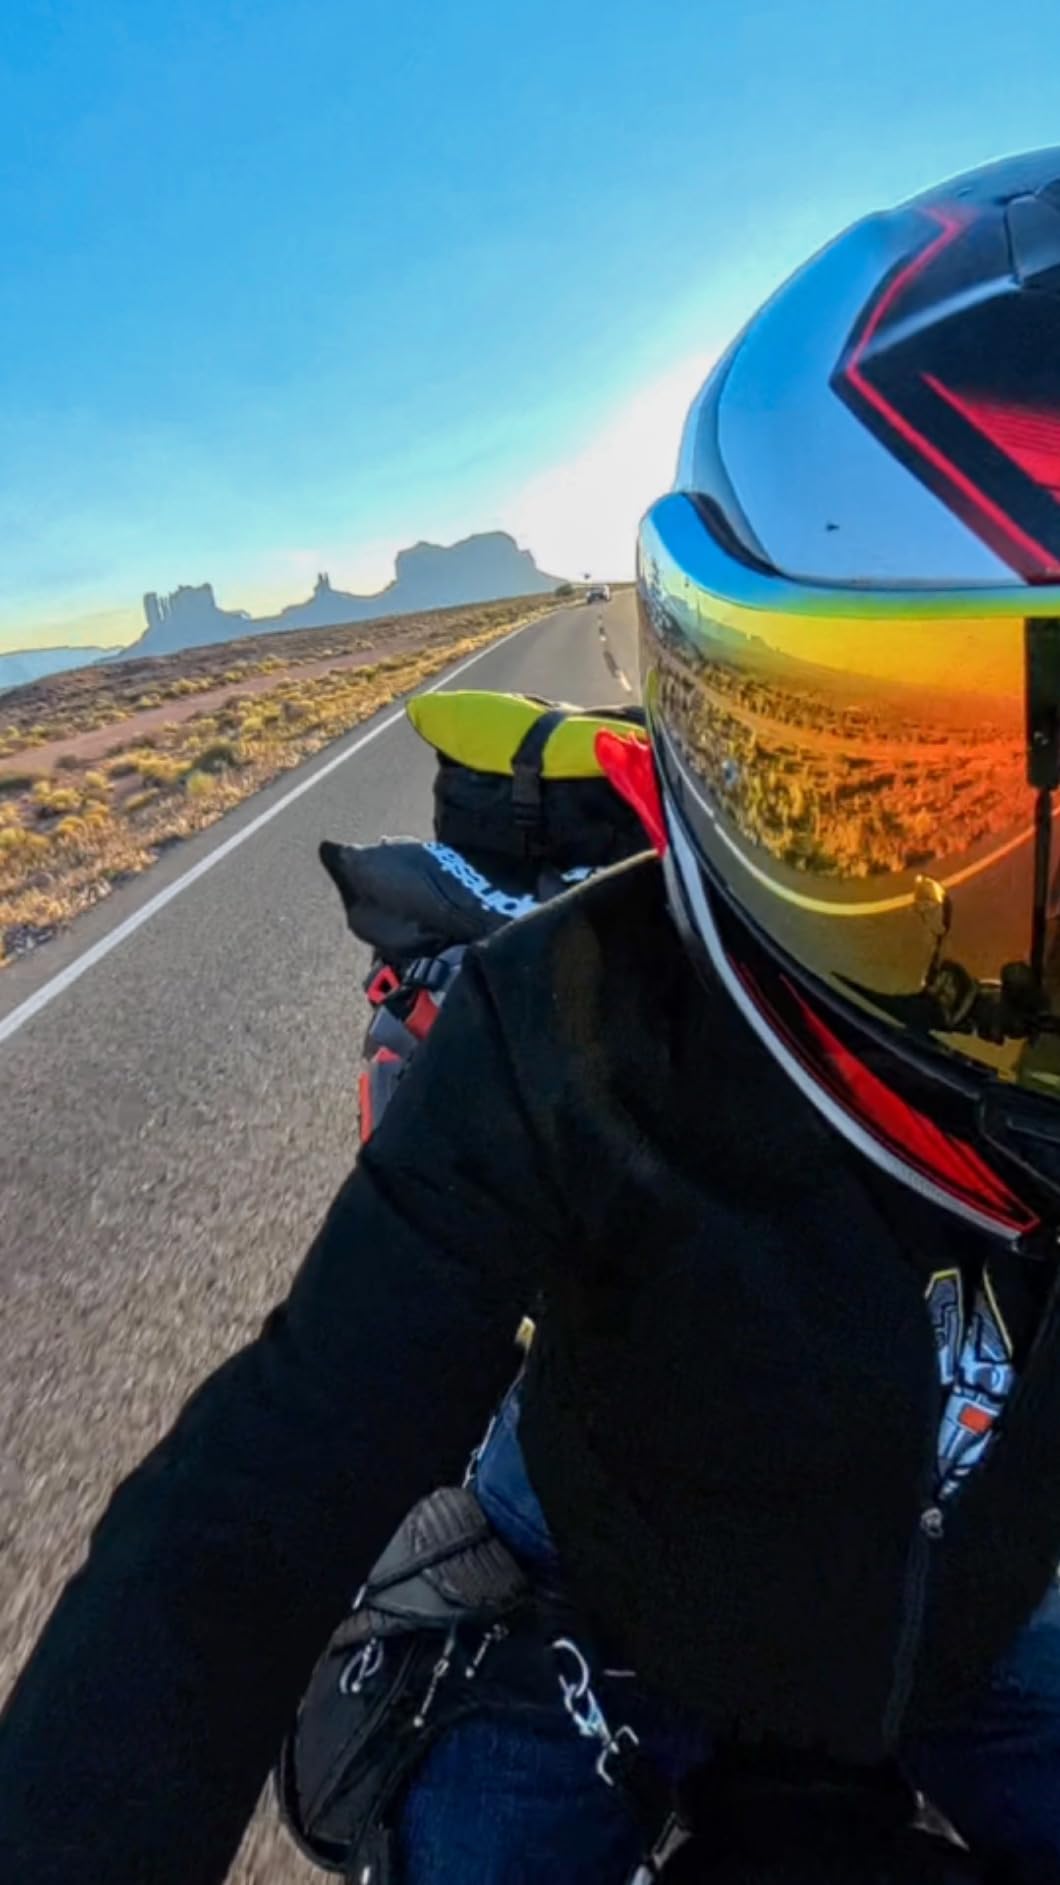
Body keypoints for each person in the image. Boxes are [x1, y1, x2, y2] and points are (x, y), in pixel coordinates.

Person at [7, 148, 1060, 1885]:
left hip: (969, 1628)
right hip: (602, 1613)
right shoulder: (566, 1021)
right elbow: (246, 1513)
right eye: (914, 788)